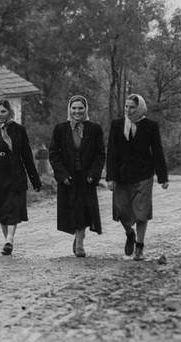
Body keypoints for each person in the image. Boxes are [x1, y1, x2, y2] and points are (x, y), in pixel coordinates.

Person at [0, 99, 42, 256]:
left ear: (9, 112)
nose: (0, 114)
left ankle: (10, 239)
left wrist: (35, 181)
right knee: (1, 210)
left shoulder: (19, 130)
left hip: (14, 175)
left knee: (13, 207)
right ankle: (7, 242)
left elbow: (27, 157)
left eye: (3, 111)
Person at [106, 93, 169, 261]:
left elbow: (157, 151)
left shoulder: (150, 126)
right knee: (121, 211)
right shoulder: (117, 125)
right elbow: (111, 152)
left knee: (142, 213)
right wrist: (110, 177)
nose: (128, 110)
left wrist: (163, 177)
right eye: (126, 106)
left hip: (143, 175)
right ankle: (130, 234)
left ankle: (139, 247)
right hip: (121, 176)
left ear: (140, 108)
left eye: (132, 107)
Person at [48, 96, 106, 258]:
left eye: (80, 108)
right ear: (69, 109)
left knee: (84, 208)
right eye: (74, 108)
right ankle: (78, 235)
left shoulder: (94, 128)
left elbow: (100, 154)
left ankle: (80, 242)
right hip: (68, 177)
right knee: (72, 209)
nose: (77, 111)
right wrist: (62, 174)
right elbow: (54, 154)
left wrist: (94, 174)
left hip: (86, 177)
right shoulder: (60, 129)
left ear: (86, 109)